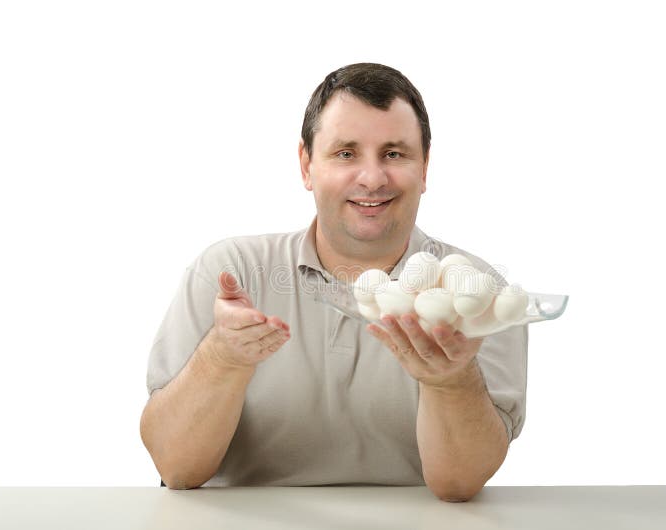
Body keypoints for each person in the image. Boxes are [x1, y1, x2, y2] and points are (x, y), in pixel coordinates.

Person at [140, 63, 528, 502]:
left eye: (394, 153)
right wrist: (223, 358)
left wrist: (450, 380)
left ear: (425, 168)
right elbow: (175, 467)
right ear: (306, 165)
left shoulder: (478, 294)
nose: (372, 178)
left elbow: (460, 484)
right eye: (346, 153)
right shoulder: (230, 273)